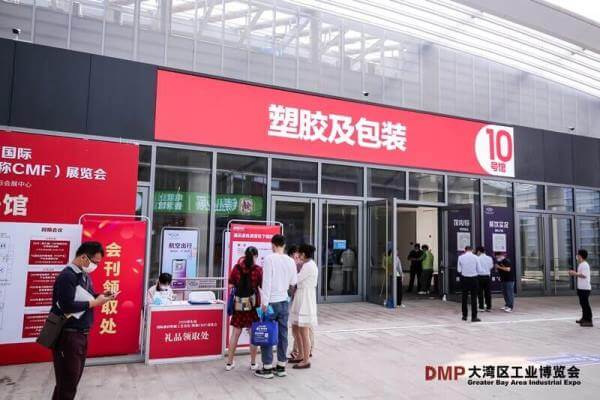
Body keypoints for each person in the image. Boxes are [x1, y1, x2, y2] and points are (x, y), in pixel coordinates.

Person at [50, 242, 115, 400]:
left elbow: (87, 296)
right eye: (95, 262)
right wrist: (95, 303)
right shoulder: (67, 276)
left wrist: (101, 295)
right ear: (83, 257)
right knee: (68, 382)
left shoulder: (83, 275)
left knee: (70, 381)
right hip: (68, 335)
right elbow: (67, 305)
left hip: (81, 335)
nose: (96, 266)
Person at [255, 234, 297, 379]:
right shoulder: (290, 261)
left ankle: (267, 368)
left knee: (267, 333)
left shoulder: (269, 259)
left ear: (273, 245)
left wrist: (264, 303)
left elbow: (266, 282)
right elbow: (293, 282)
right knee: (283, 334)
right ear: (284, 245)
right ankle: (281, 366)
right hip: (284, 302)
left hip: (271, 303)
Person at [226, 246, 262, 370]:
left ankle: (229, 363)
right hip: (252, 307)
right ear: (255, 256)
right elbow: (262, 285)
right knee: (253, 334)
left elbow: (230, 284)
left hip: (239, 306)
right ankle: (253, 363)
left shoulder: (236, 268)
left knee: (235, 333)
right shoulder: (258, 270)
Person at [289, 244, 319, 369]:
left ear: (304, 254)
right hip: (302, 297)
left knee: (304, 331)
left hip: (305, 298)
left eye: (299, 253)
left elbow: (295, 279)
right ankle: (300, 355)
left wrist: (291, 268)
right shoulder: (308, 264)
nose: (298, 255)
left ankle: (306, 359)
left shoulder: (309, 266)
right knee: (296, 328)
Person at [457, 246, 483, 322]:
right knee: (474, 298)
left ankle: (464, 316)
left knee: (464, 297)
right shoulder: (476, 257)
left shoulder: (460, 257)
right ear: (472, 250)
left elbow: (459, 270)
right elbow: (479, 270)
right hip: (474, 279)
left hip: (464, 279)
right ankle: (474, 317)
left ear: (465, 250)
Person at [570, 249, 593, 327]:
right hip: (581, 288)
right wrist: (575, 273)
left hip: (585, 288)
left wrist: (574, 273)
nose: (577, 256)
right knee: (582, 304)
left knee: (585, 304)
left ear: (580, 256)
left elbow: (584, 275)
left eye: (578, 255)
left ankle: (589, 320)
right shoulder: (581, 264)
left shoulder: (585, 265)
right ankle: (584, 318)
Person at [476, 247, 493, 312]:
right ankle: (489, 307)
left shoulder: (477, 258)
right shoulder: (489, 258)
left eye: (477, 252)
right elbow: (491, 267)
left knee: (480, 293)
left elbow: (476, 267)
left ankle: (481, 307)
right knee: (488, 292)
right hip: (487, 277)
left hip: (479, 277)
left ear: (479, 251)